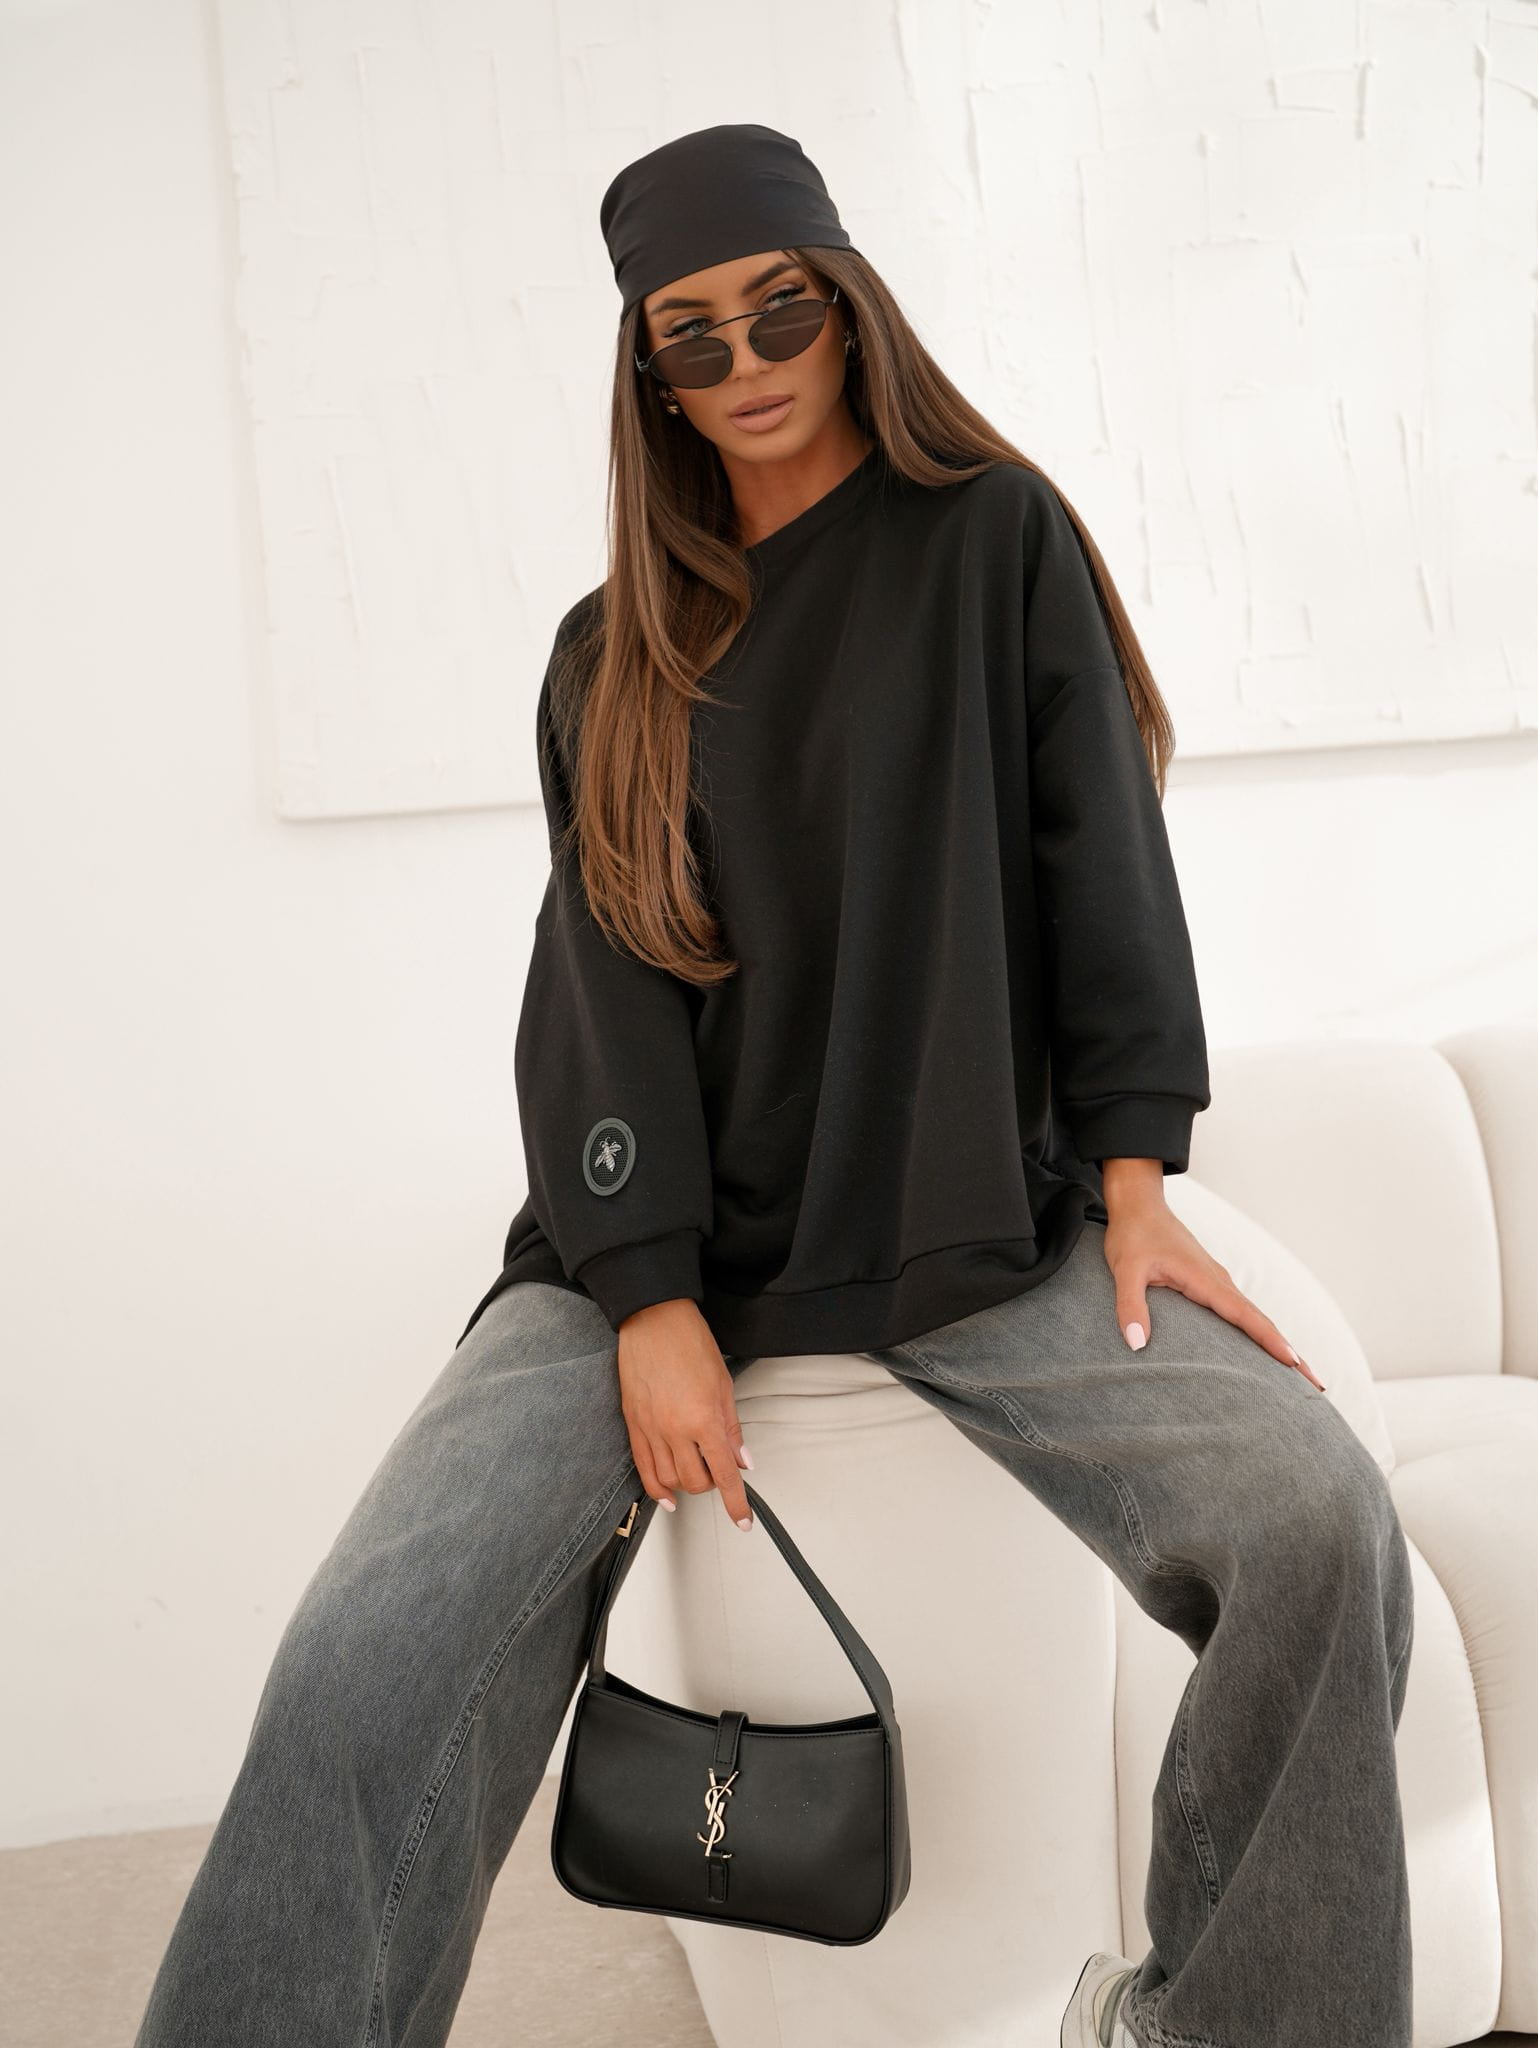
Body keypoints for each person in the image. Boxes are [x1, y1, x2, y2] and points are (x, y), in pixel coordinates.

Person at [133, 125, 1415, 2048]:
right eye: (691, 334)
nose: (742, 361)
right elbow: (598, 991)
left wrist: (1138, 1178)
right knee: (363, 1654)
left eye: (779, 310)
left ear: (848, 304)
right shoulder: (611, 655)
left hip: (964, 1220)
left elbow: (1103, 868)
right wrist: (646, 1297)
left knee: (1313, 1520)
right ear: (648, 371)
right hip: (646, 1246)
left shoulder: (990, 542)